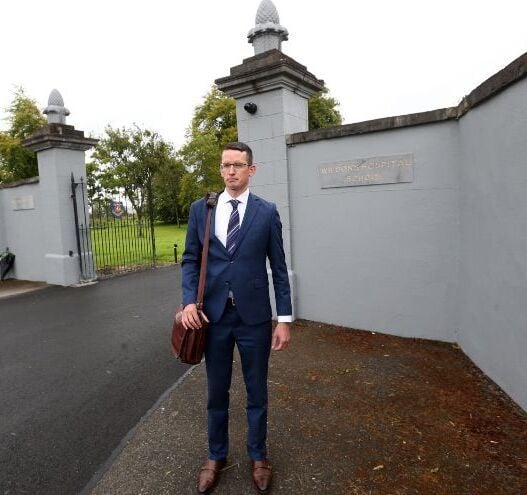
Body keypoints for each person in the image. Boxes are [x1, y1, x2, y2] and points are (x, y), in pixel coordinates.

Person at [181, 141, 292, 494]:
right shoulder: (202, 210)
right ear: (221, 169)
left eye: (238, 165)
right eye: (226, 165)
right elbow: (190, 260)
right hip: (212, 318)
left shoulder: (267, 211)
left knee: (257, 390)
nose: (231, 171)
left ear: (251, 170)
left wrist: (284, 319)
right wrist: (188, 303)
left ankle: (258, 456)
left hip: (254, 318)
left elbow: (279, 267)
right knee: (217, 391)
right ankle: (216, 456)